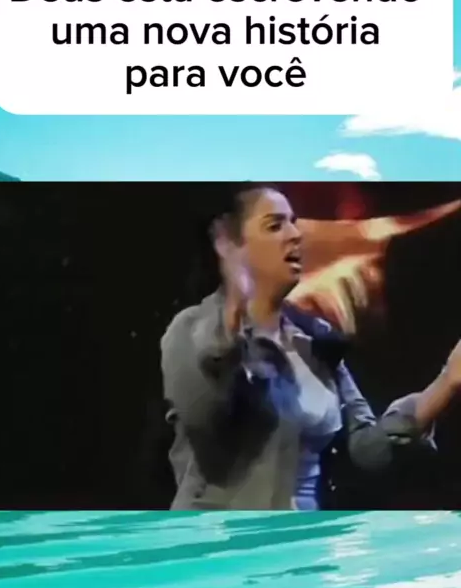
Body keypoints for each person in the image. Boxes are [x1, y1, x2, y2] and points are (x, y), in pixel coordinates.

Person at [160, 186, 461, 511]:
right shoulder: (192, 330)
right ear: (232, 246)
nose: (295, 234)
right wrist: (233, 314)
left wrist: (448, 380)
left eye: (293, 222)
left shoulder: (315, 341)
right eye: (275, 225)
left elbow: (367, 450)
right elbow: (205, 421)